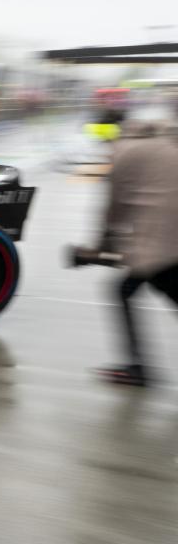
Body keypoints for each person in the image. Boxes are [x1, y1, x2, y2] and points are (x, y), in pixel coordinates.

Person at [93, 122, 178, 386]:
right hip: (165, 243)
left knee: (125, 291)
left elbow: (114, 208)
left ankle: (137, 367)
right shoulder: (167, 147)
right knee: (126, 290)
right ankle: (136, 365)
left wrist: (104, 242)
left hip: (161, 247)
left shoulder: (124, 152)